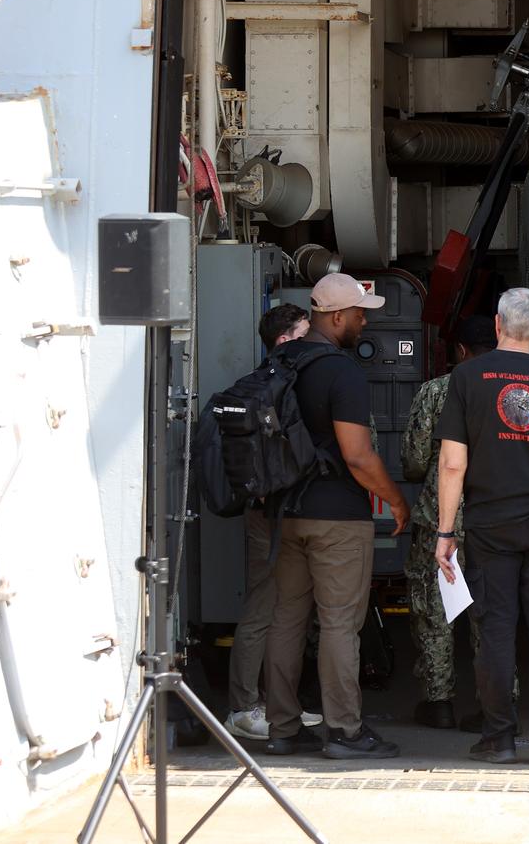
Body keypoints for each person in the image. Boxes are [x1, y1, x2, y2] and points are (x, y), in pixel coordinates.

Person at [434, 289, 529, 766]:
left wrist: (445, 532)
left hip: (490, 522)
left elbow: (452, 464)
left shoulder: (467, 377)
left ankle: (499, 738)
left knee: (496, 629)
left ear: (499, 324)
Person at [263, 274, 412, 760]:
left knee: (287, 620)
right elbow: (358, 455)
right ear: (336, 317)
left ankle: (282, 728)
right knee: (338, 624)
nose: (365, 320)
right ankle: (345, 732)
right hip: (337, 519)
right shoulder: (341, 371)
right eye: (360, 312)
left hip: (288, 511)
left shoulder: (282, 360)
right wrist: (395, 499)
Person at [224, 304, 318, 741]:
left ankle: (275, 705)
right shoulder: (273, 388)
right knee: (264, 608)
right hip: (269, 512)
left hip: (274, 509)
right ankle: (244, 707)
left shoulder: (263, 385)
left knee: (281, 606)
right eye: (304, 334)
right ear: (286, 340)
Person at [402, 315, 497, 730]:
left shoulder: (436, 391)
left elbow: (413, 461)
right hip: (495, 518)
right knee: (492, 613)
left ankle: (438, 702)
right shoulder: (510, 390)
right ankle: (495, 703)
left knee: (433, 610)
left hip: (439, 519)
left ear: (460, 351)